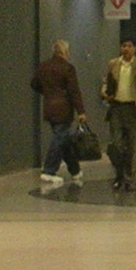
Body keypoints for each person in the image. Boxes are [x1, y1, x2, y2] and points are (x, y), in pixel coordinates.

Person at [101, 39, 136, 192]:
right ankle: (118, 175)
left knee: (133, 146)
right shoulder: (113, 64)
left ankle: (129, 178)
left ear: (135, 49)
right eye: (124, 46)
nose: (126, 49)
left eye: (129, 46)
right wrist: (105, 93)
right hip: (117, 108)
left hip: (133, 109)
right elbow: (107, 83)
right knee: (116, 145)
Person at [31, 40, 86, 185]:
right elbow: (74, 91)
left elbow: (34, 83)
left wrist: (48, 93)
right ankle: (49, 171)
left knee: (64, 138)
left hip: (49, 106)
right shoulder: (68, 68)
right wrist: (81, 111)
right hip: (64, 108)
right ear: (65, 52)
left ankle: (75, 170)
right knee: (60, 138)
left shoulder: (43, 66)